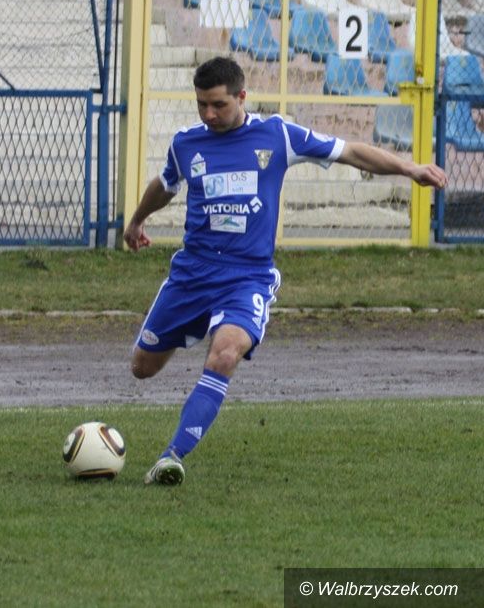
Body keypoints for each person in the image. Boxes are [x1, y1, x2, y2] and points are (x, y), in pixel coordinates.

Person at [123, 56, 447, 486]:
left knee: (225, 354)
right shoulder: (186, 144)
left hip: (247, 277)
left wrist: (410, 168)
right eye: (201, 104)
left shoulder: (277, 135)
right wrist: (136, 221)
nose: (209, 114)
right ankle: (198, 324)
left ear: (242, 96)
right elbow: (166, 184)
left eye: (218, 104)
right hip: (192, 275)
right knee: (142, 368)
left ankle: (172, 456)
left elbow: (349, 151)